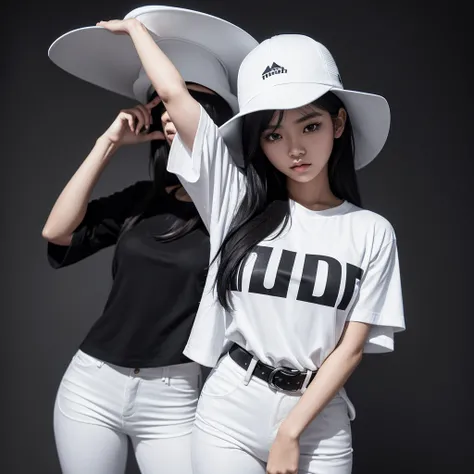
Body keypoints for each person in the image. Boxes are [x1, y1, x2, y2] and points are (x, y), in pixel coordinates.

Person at [98, 17, 405, 474]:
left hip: (318, 420)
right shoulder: (236, 202)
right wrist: (139, 33)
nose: (295, 149)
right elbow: (181, 103)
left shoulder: (371, 231)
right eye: (274, 134)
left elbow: (350, 349)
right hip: (230, 410)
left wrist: (291, 432)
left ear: (338, 123)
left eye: (310, 126)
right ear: (260, 143)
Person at [42, 6, 257, 474]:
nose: (172, 115)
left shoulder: (234, 205)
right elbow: (56, 232)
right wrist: (109, 142)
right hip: (91, 385)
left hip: (173, 398)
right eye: (163, 111)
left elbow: (174, 93)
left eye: (187, 106)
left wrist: (136, 29)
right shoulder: (144, 200)